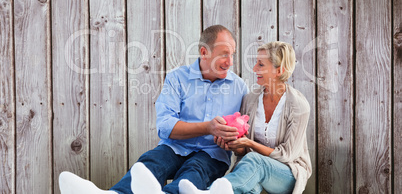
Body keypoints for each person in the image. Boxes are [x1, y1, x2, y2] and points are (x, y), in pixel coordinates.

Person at [59, 25, 248, 194]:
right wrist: (208, 128)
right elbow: (166, 127)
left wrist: (233, 142)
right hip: (175, 147)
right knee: (151, 162)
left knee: (195, 171)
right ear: (204, 52)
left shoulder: (239, 87)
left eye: (232, 54)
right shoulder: (177, 78)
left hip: (212, 155)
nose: (230, 62)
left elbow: (245, 137)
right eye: (224, 54)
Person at [178, 41, 312, 194]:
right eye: (256, 63)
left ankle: (209, 192)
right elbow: (243, 152)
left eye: (260, 65)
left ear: (279, 70)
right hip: (253, 169)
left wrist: (250, 144)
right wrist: (235, 144)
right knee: (249, 187)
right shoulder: (250, 99)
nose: (254, 69)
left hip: (288, 173)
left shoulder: (298, 105)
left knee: (255, 161)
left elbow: (287, 155)